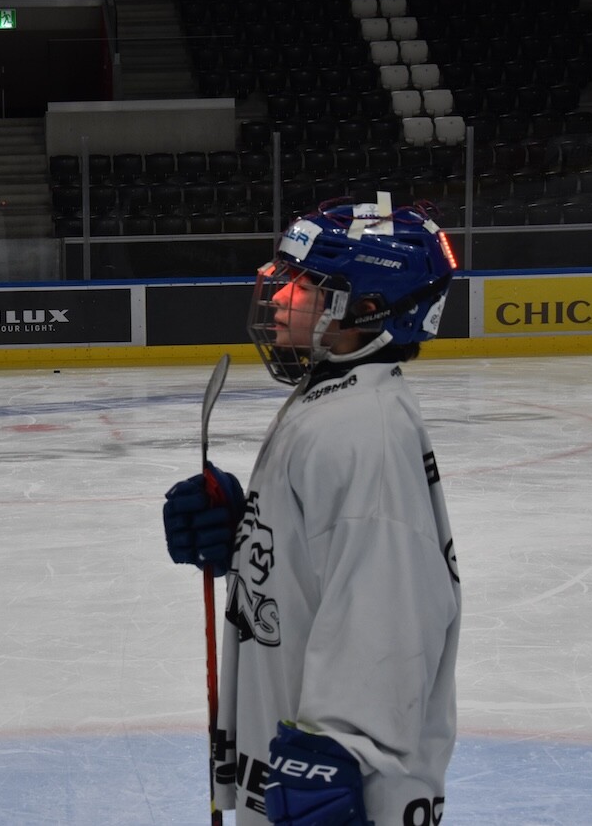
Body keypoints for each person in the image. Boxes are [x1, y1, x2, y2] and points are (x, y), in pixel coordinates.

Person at [163, 193, 462, 825]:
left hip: (342, 787)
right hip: (288, 768)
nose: (280, 296)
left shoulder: (362, 430)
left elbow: (388, 609)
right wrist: (247, 534)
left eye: (308, 288)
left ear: (370, 309)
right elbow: (327, 564)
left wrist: (333, 756)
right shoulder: (332, 397)